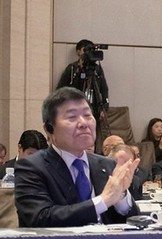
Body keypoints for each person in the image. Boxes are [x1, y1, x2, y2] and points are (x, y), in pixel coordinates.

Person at [15, 87, 139, 227]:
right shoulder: (31, 167)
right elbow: (40, 218)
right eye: (72, 117)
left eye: (87, 115)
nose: (83, 124)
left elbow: (133, 222)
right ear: (49, 129)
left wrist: (120, 197)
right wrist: (103, 201)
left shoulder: (107, 165)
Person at [56, 39, 109, 123]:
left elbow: (104, 89)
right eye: (85, 50)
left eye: (91, 50)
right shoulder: (72, 68)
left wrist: (104, 109)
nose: (88, 53)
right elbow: (60, 90)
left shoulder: (96, 69)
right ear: (78, 52)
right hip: (75, 110)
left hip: (94, 111)